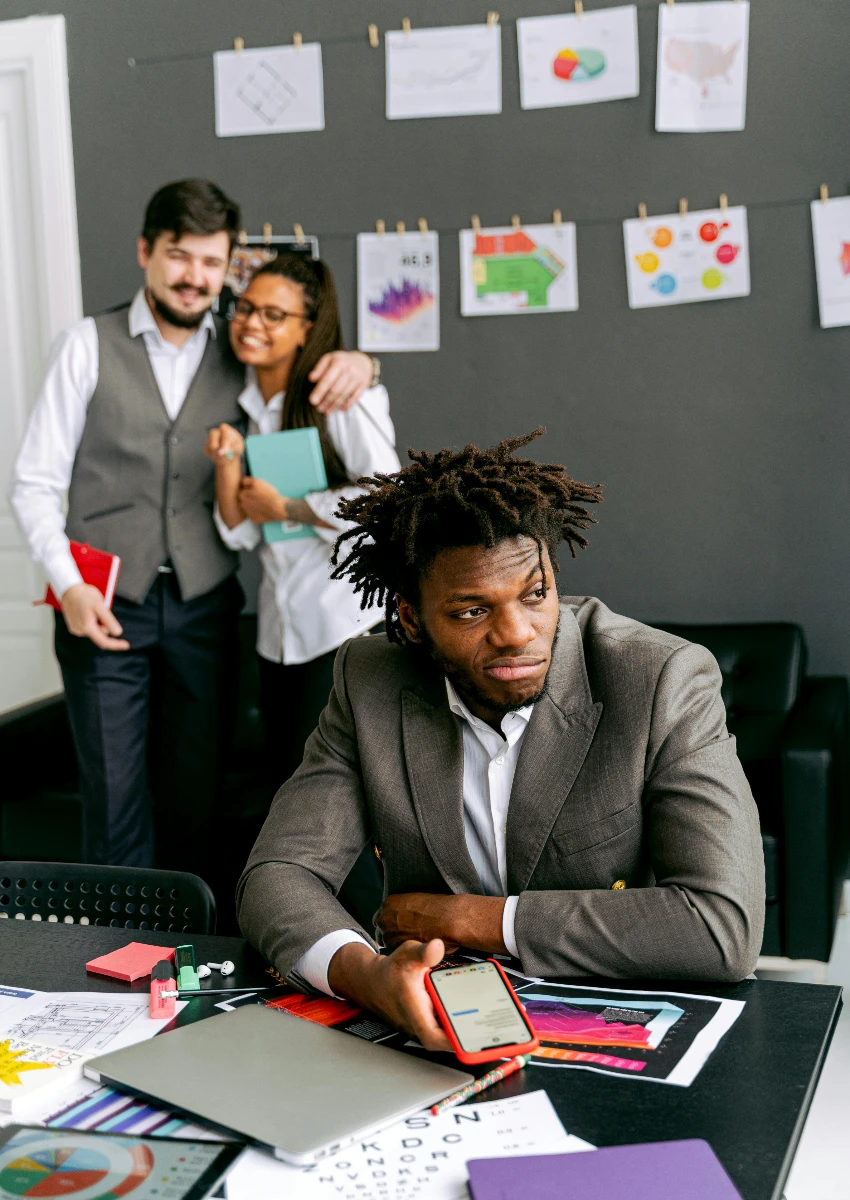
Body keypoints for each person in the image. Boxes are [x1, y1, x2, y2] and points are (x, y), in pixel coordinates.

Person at [237, 429, 765, 1052]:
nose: (517, 634)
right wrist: (366, 975)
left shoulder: (660, 679)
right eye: (471, 611)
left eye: (535, 595)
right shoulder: (370, 679)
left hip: (613, 1018)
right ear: (410, 617)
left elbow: (721, 925)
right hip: (431, 1034)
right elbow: (277, 874)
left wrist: (477, 920)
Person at [11, 179, 375, 873]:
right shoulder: (85, 347)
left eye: (212, 262)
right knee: (114, 800)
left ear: (228, 265)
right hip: (102, 604)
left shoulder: (244, 352)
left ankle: (179, 965)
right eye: (180, 256)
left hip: (206, 609)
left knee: (194, 800)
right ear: (147, 251)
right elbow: (33, 485)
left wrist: (363, 360)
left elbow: (318, 356)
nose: (195, 277)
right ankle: (105, 967)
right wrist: (68, 585)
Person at [206, 254, 400, 916]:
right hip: (278, 632)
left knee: (342, 807)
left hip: (342, 628)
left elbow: (386, 500)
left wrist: (289, 507)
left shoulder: (343, 395)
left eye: (272, 314)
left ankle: (375, 952)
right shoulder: (242, 407)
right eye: (245, 308)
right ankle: (319, 953)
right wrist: (231, 468)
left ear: (307, 327)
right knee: (294, 802)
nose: (251, 324)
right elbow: (237, 534)